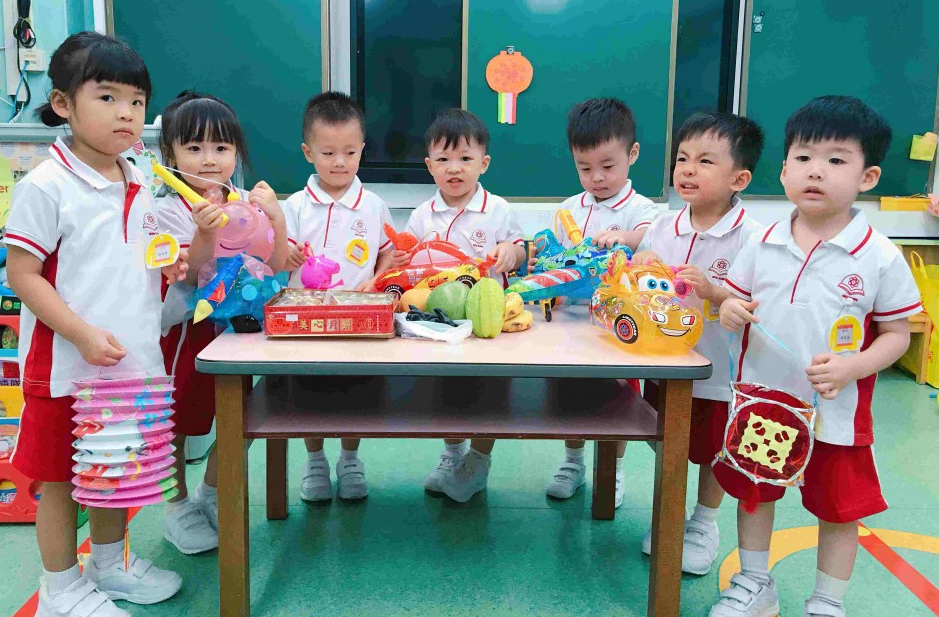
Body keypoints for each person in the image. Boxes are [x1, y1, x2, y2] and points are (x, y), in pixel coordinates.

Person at [710, 96, 921, 617]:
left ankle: (827, 609)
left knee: (837, 509)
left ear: (867, 177)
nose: (815, 171)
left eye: (835, 160)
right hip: (763, 407)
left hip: (835, 415)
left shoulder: (879, 256)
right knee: (755, 494)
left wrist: (854, 366)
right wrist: (728, 308)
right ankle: (755, 583)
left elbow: (898, 335)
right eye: (803, 158)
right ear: (783, 170)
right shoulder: (761, 242)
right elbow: (734, 299)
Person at [4, 32, 185, 617]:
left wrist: (169, 263)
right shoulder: (45, 186)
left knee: (113, 469)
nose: (125, 114)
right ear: (62, 104)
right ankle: (58, 594)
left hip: (129, 364)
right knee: (59, 480)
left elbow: (136, 258)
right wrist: (79, 334)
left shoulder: (142, 180)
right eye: (107, 97)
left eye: (136, 101)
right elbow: (23, 275)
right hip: (66, 369)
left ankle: (109, 566)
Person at [632, 111, 765, 575]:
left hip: (719, 372)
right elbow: (641, 287)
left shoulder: (754, 237)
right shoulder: (662, 226)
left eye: (705, 161)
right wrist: (640, 267)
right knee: (669, 442)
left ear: (738, 178)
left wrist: (714, 291)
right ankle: (671, 513)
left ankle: (704, 523)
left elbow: (757, 306)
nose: (687, 169)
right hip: (664, 362)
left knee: (714, 451)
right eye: (682, 159)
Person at [156, 90, 288, 553]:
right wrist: (203, 231)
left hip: (238, 330)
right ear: (170, 154)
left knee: (243, 414)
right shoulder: (165, 209)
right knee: (175, 424)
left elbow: (274, 265)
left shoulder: (246, 201)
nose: (209, 159)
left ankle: (210, 491)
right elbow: (192, 275)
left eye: (221, 147)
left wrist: (276, 217)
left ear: (237, 152)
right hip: (186, 333)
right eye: (194, 147)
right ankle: (175, 506)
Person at [404, 108, 525, 502]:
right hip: (439, 324)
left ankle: (479, 460)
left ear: (483, 163)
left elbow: (521, 250)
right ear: (429, 166)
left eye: (465, 158)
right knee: (446, 391)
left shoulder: (498, 209)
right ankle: (452, 453)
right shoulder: (422, 215)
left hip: (488, 323)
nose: (454, 168)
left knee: (490, 393)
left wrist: (511, 252)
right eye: (443, 159)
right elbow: (407, 261)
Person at [282, 91, 398, 501]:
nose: (339, 162)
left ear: (362, 149)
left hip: (358, 320)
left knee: (356, 394)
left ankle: (350, 459)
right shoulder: (295, 205)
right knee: (306, 393)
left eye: (350, 152)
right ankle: (314, 460)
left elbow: (388, 252)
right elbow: (279, 254)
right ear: (308, 153)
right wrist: (288, 254)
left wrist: (379, 279)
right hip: (305, 323)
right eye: (328, 153)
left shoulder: (373, 205)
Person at [544, 98, 658, 505]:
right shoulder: (568, 209)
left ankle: (613, 468)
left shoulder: (641, 208)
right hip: (571, 324)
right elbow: (555, 256)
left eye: (608, 166)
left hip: (618, 329)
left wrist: (624, 238)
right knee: (570, 397)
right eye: (584, 168)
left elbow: (648, 237)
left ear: (633, 154)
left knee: (617, 401)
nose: (596, 178)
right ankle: (573, 462)